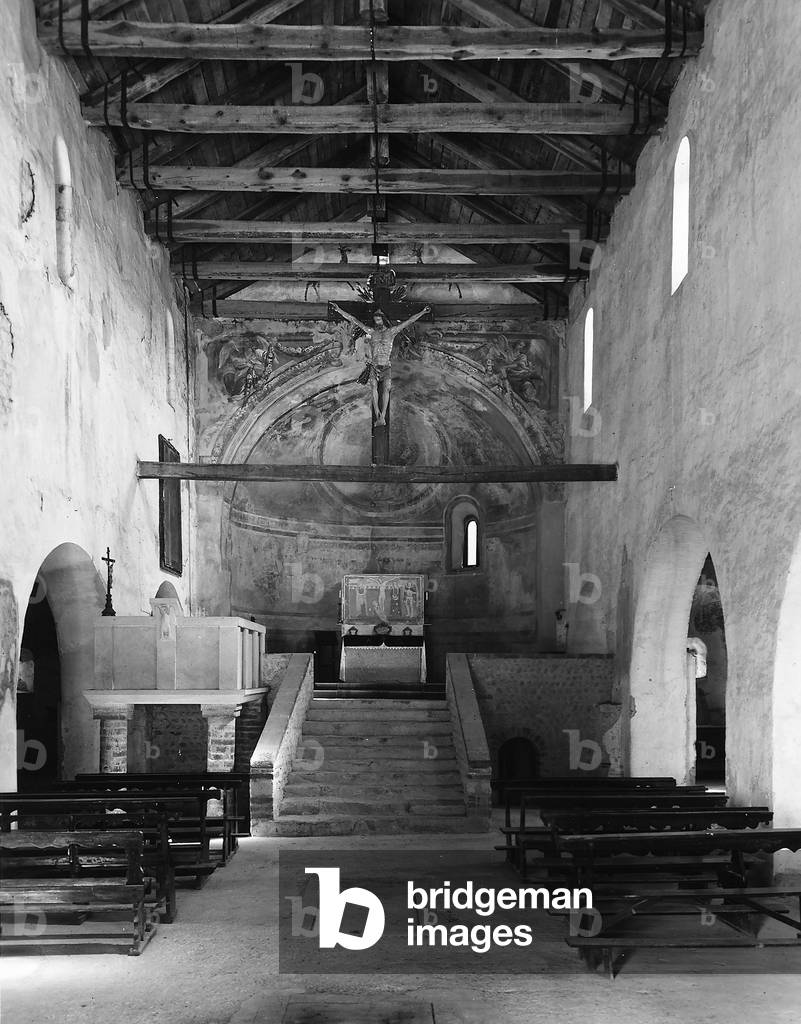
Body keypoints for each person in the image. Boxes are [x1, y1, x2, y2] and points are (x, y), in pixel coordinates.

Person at [330, 303, 431, 425]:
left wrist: (423, 312)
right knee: (373, 388)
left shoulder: (392, 331)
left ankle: (382, 416)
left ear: (383, 319)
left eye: (378, 319)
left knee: (386, 389)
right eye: (375, 320)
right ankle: (378, 414)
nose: (377, 322)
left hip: (386, 365)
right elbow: (354, 320)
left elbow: (409, 321)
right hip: (374, 365)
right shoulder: (371, 332)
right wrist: (339, 310)